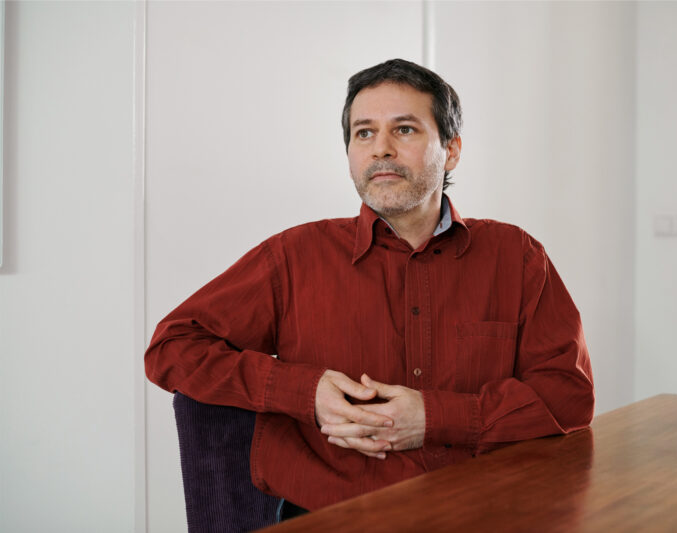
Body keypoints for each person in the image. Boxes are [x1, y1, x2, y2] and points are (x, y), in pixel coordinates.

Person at [145, 58, 594, 518]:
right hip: (331, 517)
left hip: (482, 512)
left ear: (452, 150)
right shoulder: (294, 256)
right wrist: (305, 392)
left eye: (404, 129)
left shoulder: (516, 256)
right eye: (364, 133)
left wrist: (435, 418)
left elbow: (569, 395)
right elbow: (172, 345)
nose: (381, 149)